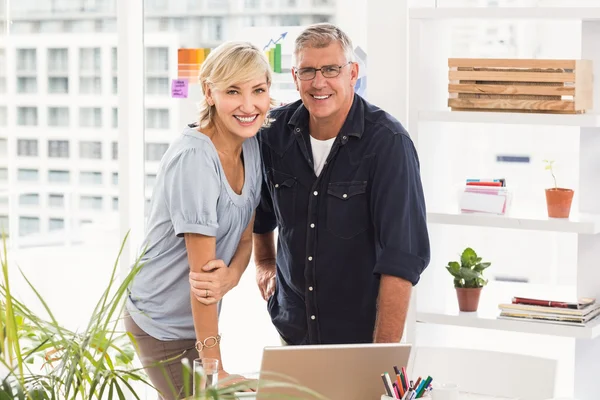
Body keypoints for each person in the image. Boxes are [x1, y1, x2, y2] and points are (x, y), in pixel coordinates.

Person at [190, 23, 430, 346]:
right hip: (292, 334)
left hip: (360, 341)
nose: (319, 83)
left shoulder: (389, 144)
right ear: (294, 77)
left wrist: (380, 357)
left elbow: (401, 261)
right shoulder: (272, 136)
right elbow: (260, 212)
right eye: (307, 71)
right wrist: (264, 263)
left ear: (352, 73)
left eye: (331, 69)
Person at [124, 41, 273, 399]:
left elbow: (244, 239)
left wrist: (233, 276)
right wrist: (214, 369)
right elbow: (203, 281)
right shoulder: (195, 159)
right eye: (233, 91)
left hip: (195, 322)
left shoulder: (250, 144)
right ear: (209, 92)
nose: (248, 105)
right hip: (161, 322)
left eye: (258, 90)